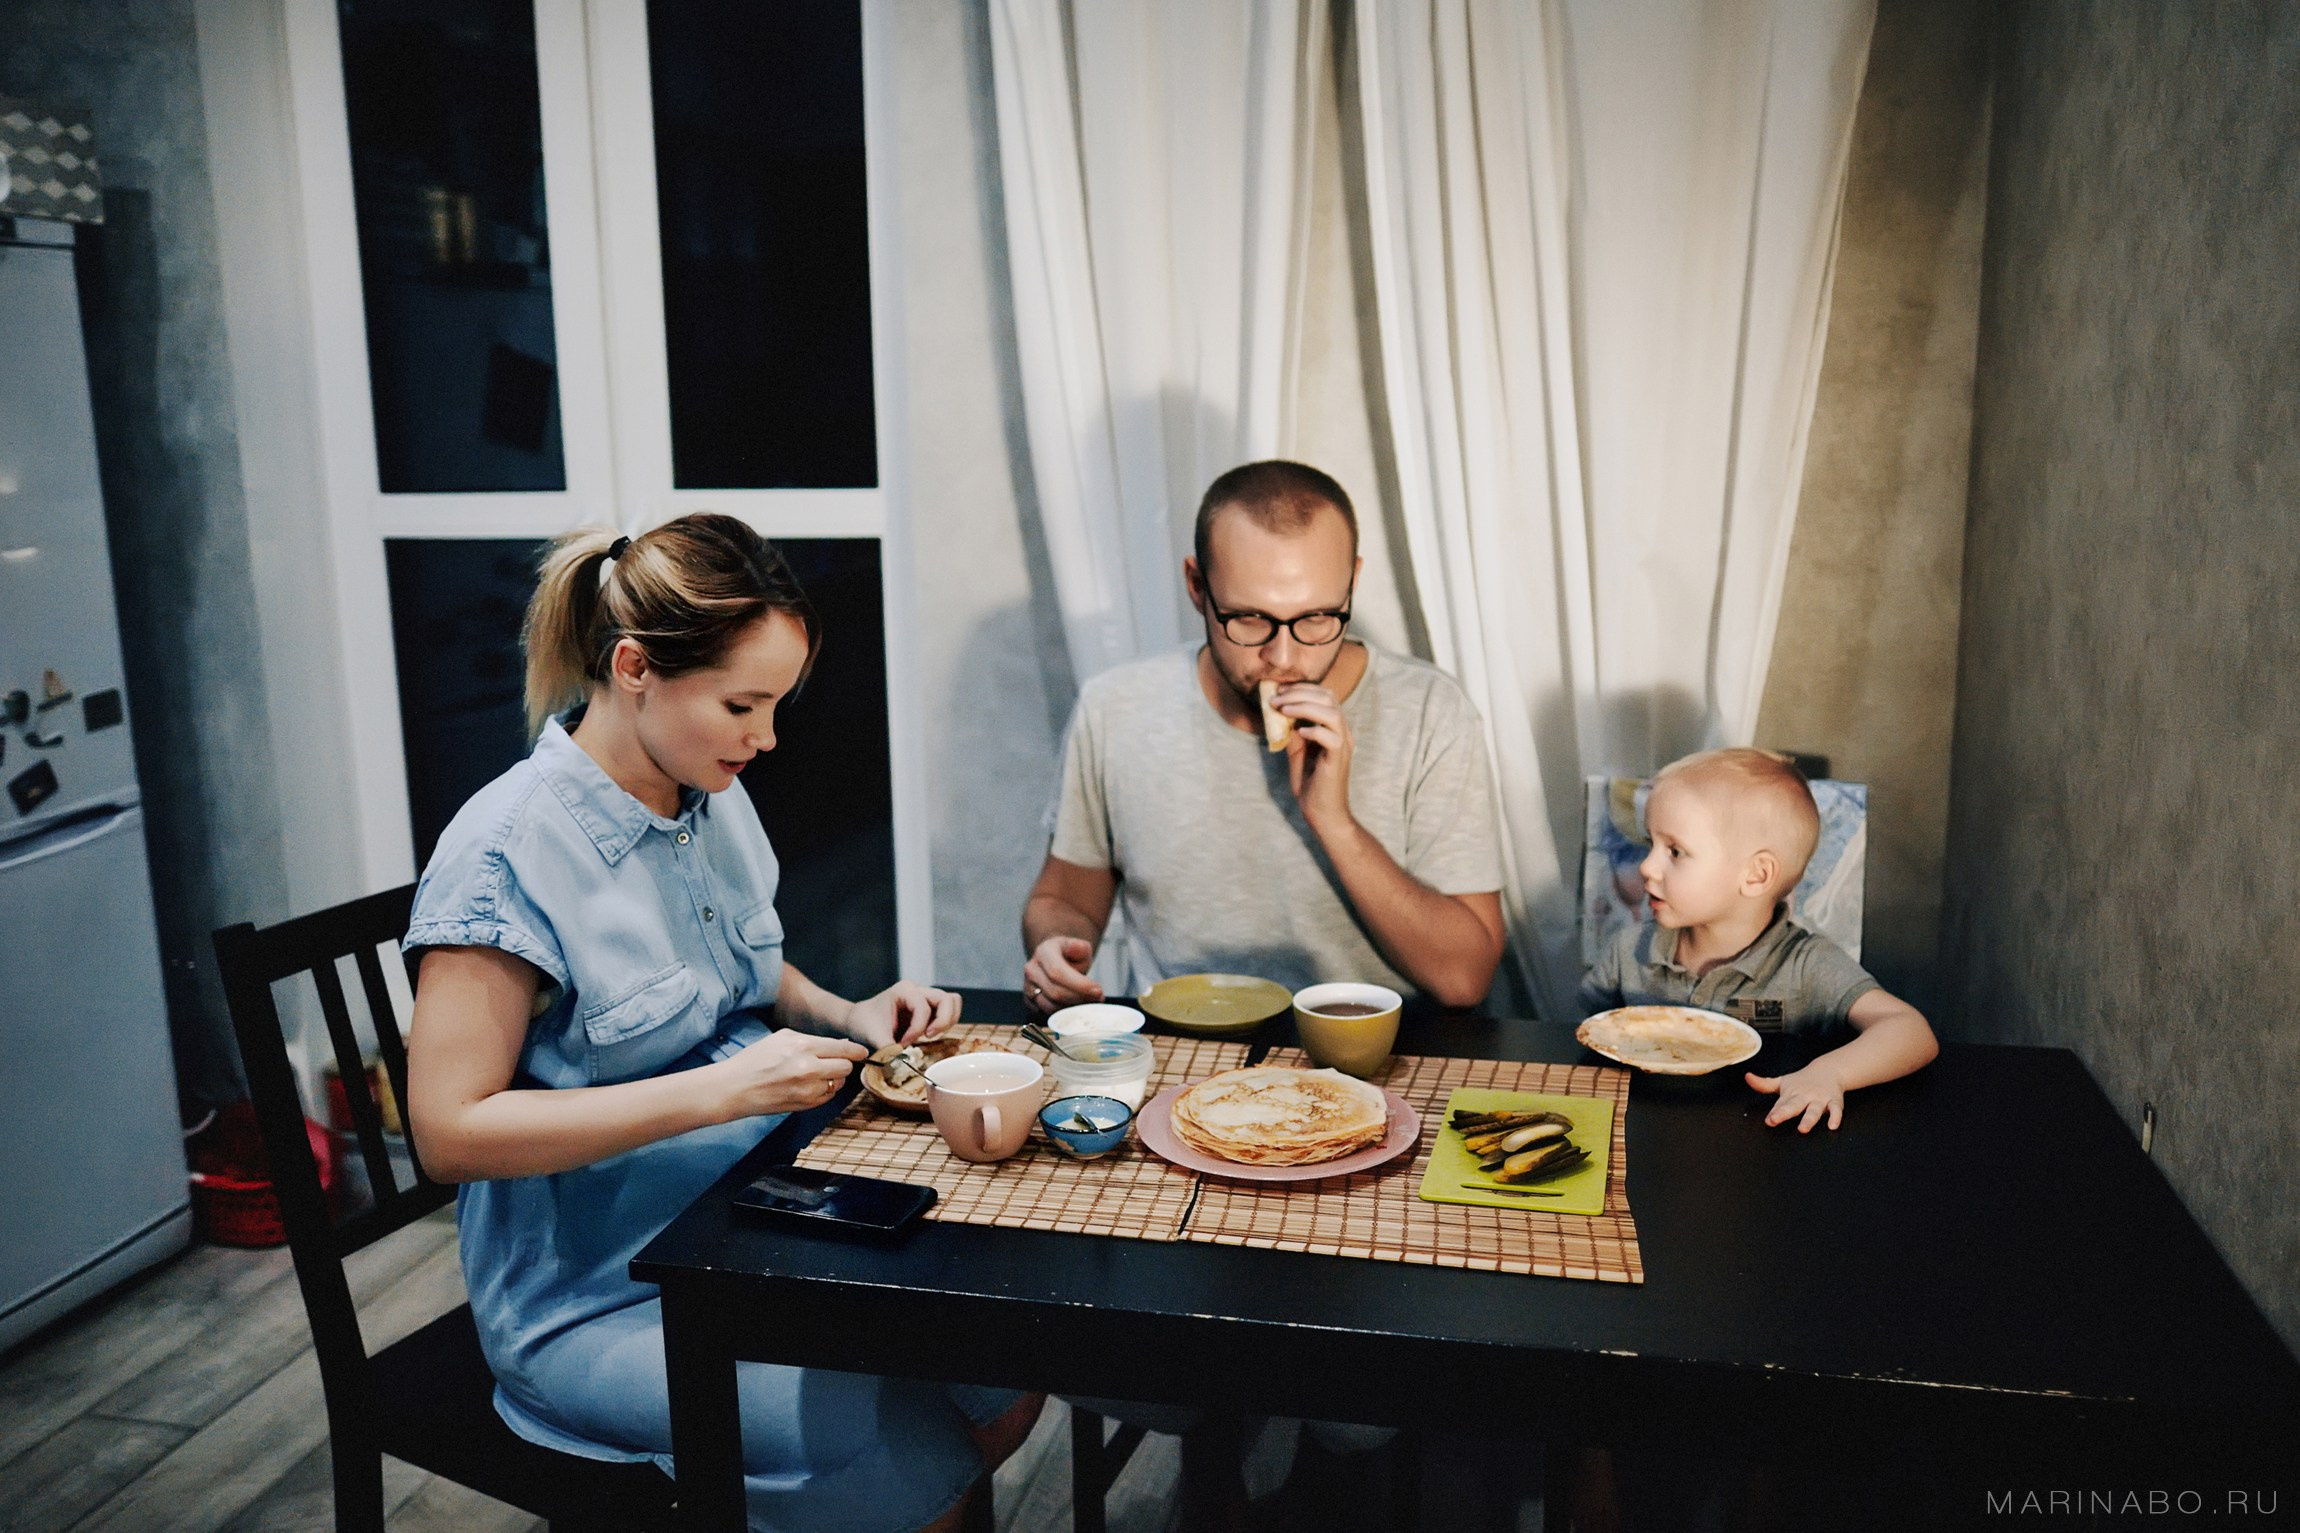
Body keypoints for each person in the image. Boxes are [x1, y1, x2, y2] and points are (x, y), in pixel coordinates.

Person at [402, 515, 1039, 1533]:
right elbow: (446, 1132)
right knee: (875, 1419)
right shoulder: (505, 853)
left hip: (748, 1223)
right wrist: (724, 1091)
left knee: (995, 1364)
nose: (766, 737)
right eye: (742, 704)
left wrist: (850, 1013)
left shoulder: (703, 789)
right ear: (633, 668)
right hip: (595, 1299)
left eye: (776, 704)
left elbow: (737, 967)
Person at [1023, 459, 1507, 1013]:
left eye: (1318, 617)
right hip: (1187, 1048)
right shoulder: (1115, 709)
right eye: (1250, 619)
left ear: (1351, 582)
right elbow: (1063, 899)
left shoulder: (1429, 712)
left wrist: (1335, 822)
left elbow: (1466, 977)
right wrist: (1054, 947)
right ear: (1197, 587)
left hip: (1379, 1057)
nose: (1284, 657)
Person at [1578, 747, 1939, 1131]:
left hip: (1762, 1139)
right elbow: (1585, 1041)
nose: (1647, 866)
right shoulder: (1628, 951)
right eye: (1650, 843)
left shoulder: (1805, 964)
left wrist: (1829, 1073)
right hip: (1639, 1136)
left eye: (1676, 851)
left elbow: (1911, 1031)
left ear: (1756, 876)